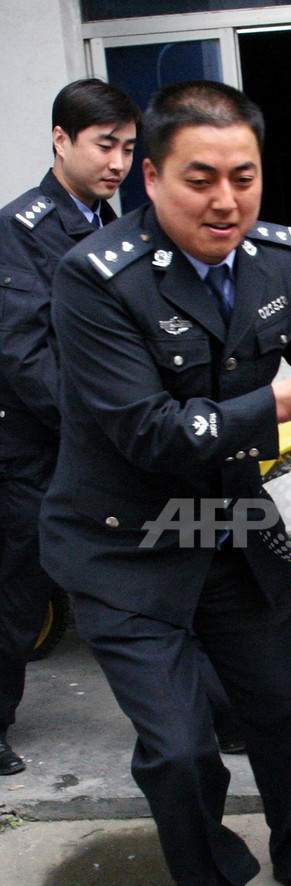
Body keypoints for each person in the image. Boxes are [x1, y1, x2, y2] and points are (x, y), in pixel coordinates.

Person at [40, 80, 291, 886]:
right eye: (200, 179)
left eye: (244, 177)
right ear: (150, 176)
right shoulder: (93, 277)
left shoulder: (272, 258)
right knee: (182, 748)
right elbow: (150, 431)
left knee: (281, 709)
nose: (226, 201)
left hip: (232, 524)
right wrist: (279, 400)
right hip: (122, 543)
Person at [0, 79, 140, 776]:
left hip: (106, 438)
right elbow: (24, 352)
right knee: (17, 587)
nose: (117, 162)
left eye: (128, 148)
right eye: (104, 145)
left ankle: (192, 711)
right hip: (34, 443)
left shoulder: (114, 225)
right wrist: (101, 427)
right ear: (61, 140)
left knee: (147, 578)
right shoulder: (21, 227)